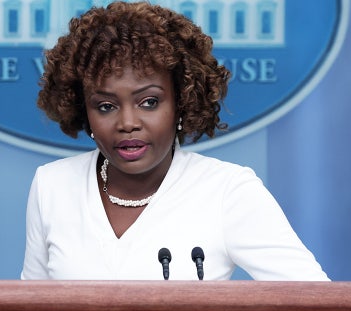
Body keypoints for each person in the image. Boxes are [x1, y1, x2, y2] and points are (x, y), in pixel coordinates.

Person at [21, 1, 329, 281]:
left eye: (149, 102)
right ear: (82, 110)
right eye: (106, 106)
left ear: (181, 101)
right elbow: (28, 310)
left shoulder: (228, 190)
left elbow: (316, 301)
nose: (128, 123)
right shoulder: (52, 186)